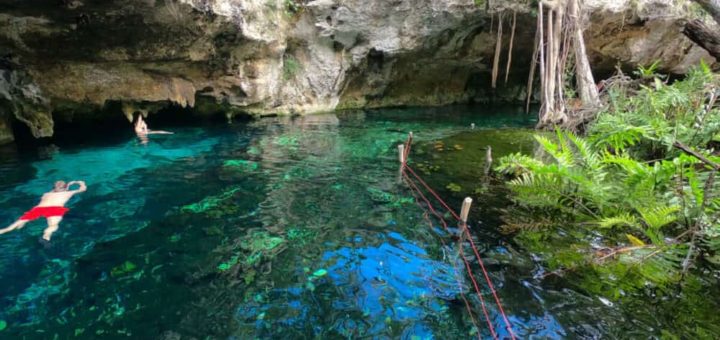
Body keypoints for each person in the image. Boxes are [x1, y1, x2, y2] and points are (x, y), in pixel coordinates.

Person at [0, 180, 87, 242]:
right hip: (55, 209)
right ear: (65, 188)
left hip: (39, 209)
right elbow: (83, 189)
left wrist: (66, 185)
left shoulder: (46, 194)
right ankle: (46, 236)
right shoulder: (68, 193)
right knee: (53, 225)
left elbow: (56, 190)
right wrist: (80, 182)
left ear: (54, 188)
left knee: (12, 226)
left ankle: (4, 230)